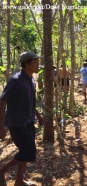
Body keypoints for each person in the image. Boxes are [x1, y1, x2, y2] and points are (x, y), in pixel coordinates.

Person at [0, 51, 44, 186]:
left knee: (27, 152)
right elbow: (2, 101)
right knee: (27, 151)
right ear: (26, 63)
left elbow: (29, 101)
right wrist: (1, 126)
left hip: (29, 121)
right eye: (35, 62)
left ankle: (19, 180)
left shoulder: (30, 79)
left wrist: (38, 115)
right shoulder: (15, 80)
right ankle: (2, 170)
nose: (38, 65)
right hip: (17, 123)